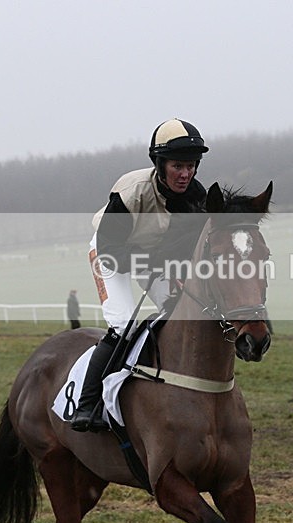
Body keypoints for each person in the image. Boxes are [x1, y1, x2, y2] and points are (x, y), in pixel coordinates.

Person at [71, 118, 209, 432]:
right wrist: (158, 262)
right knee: (123, 324)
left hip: (152, 255)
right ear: (159, 165)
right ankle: (87, 404)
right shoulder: (132, 191)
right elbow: (112, 252)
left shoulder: (195, 197)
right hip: (110, 251)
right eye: (177, 166)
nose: (185, 174)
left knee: (180, 312)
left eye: (191, 166)